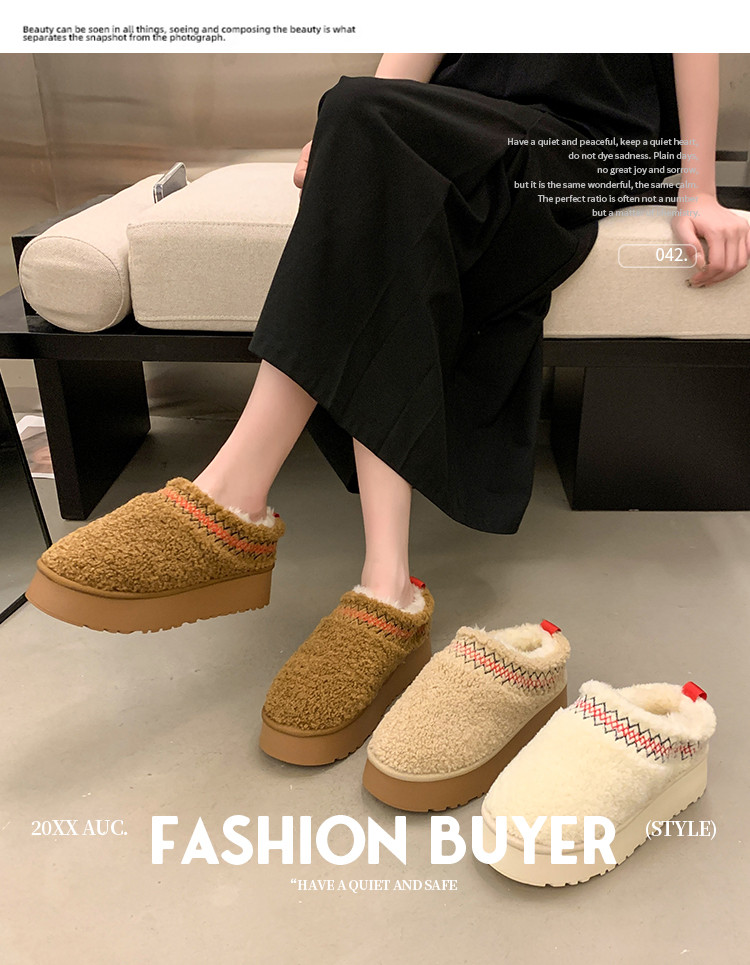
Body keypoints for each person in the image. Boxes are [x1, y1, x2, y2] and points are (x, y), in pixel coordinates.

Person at [27, 54, 750, 766]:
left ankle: (241, 503)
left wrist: (698, 192)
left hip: (590, 140)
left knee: (371, 128)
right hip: (465, 117)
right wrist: (355, 140)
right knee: (357, 116)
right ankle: (386, 585)